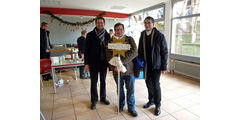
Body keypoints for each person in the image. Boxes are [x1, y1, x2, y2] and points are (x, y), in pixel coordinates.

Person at [138, 16, 168, 116]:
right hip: (146, 65)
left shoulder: (159, 35)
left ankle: (158, 105)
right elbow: (140, 49)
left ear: (153, 24)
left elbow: (164, 52)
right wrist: (139, 62)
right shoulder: (142, 34)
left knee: (155, 84)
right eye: (145, 23)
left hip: (156, 65)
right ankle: (151, 100)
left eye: (149, 23)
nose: (147, 25)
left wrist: (164, 66)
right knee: (148, 83)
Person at [106, 23, 138, 117]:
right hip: (117, 71)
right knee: (119, 90)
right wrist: (114, 65)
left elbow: (134, 51)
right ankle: (121, 105)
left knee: (130, 90)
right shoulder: (111, 41)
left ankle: (131, 108)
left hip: (129, 70)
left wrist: (122, 62)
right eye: (116, 29)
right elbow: (108, 54)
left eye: (120, 29)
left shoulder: (129, 39)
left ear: (123, 30)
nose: (118, 31)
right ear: (114, 31)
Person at [84, 17, 111, 110]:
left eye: (101, 23)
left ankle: (103, 98)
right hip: (93, 63)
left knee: (103, 82)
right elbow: (86, 50)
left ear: (104, 24)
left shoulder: (107, 35)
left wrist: (109, 65)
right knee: (94, 83)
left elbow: (110, 50)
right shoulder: (90, 35)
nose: (100, 24)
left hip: (103, 63)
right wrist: (86, 63)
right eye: (98, 23)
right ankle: (94, 101)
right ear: (96, 24)